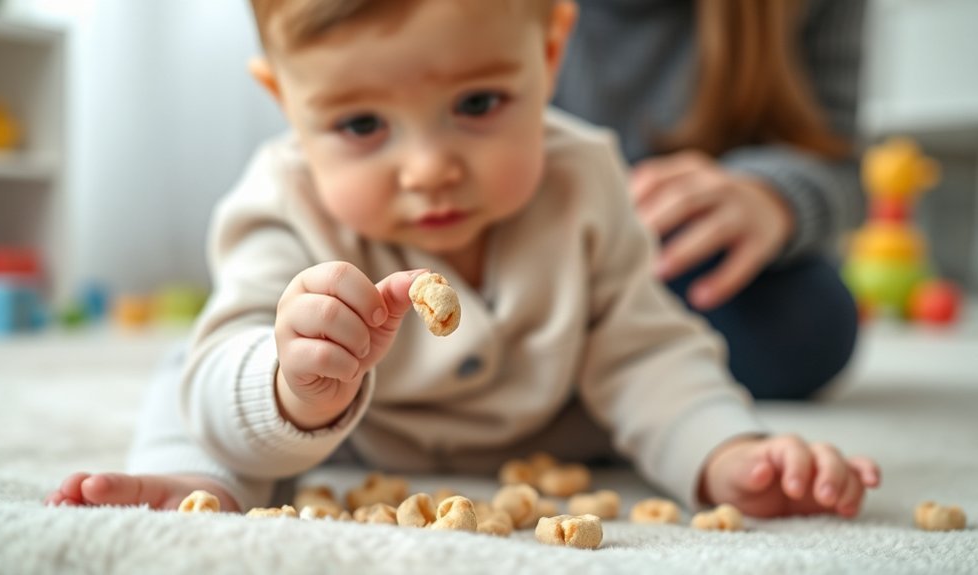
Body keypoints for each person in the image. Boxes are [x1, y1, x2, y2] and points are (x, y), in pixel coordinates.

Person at [46, 0, 879, 517]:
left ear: (549, 55)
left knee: (683, 370)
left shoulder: (587, 178)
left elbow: (649, 354)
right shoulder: (282, 199)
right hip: (349, 435)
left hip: (550, 423)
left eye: (478, 105)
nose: (428, 168)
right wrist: (292, 383)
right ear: (286, 105)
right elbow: (238, 364)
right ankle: (192, 481)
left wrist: (726, 452)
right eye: (361, 125)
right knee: (199, 370)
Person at [553, 0, 867, 400]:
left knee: (807, 320)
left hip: (685, 252)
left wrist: (771, 194)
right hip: (518, 235)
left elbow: (837, 157)